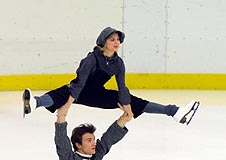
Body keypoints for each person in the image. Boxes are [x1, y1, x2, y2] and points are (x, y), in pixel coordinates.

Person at [23, 27, 200, 124]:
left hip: (97, 95)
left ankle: (175, 112)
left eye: (118, 40)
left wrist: (128, 108)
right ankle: (35, 102)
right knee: (63, 92)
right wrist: (67, 106)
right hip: (78, 90)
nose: (116, 43)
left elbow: (122, 88)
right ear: (103, 42)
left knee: (131, 99)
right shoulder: (91, 59)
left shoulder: (118, 63)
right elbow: (79, 83)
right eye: (112, 39)